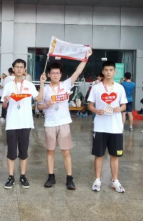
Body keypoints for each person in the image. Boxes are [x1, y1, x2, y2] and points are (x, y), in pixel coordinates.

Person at [38, 48, 92, 190]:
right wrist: (46, 103)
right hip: (50, 123)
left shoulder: (66, 84)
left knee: (66, 151)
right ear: (48, 75)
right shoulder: (45, 89)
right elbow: (38, 106)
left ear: (61, 74)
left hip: (64, 123)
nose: (55, 75)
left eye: (58, 73)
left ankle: (69, 178)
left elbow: (77, 72)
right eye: (53, 73)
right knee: (50, 151)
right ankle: (51, 176)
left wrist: (85, 58)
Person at [2, 59, 46, 189]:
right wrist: (6, 101)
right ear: (13, 69)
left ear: (24, 70)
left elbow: (39, 98)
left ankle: (22, 176)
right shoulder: (8, 85)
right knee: (11, 152)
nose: (19, 69)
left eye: (21, 67)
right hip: (12, 123)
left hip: (25, 123)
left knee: (23, 151)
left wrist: (42, 83)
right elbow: (4, 106)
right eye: (17, 67)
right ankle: (10, 177)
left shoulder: (29, 85)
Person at [87, 61, 127, 193]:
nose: (108, 72)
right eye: (106, 70)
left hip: (115, 127)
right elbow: (90, 105)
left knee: (115, 155)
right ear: (103, 71)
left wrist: (119, 109)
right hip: (100, 127)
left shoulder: (120, 88)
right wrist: (96, 110)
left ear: (115, 72)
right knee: (99, 155)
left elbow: (124, 105)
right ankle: (97, 180)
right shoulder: (96, 88)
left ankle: (115, 181)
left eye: (111, 70)